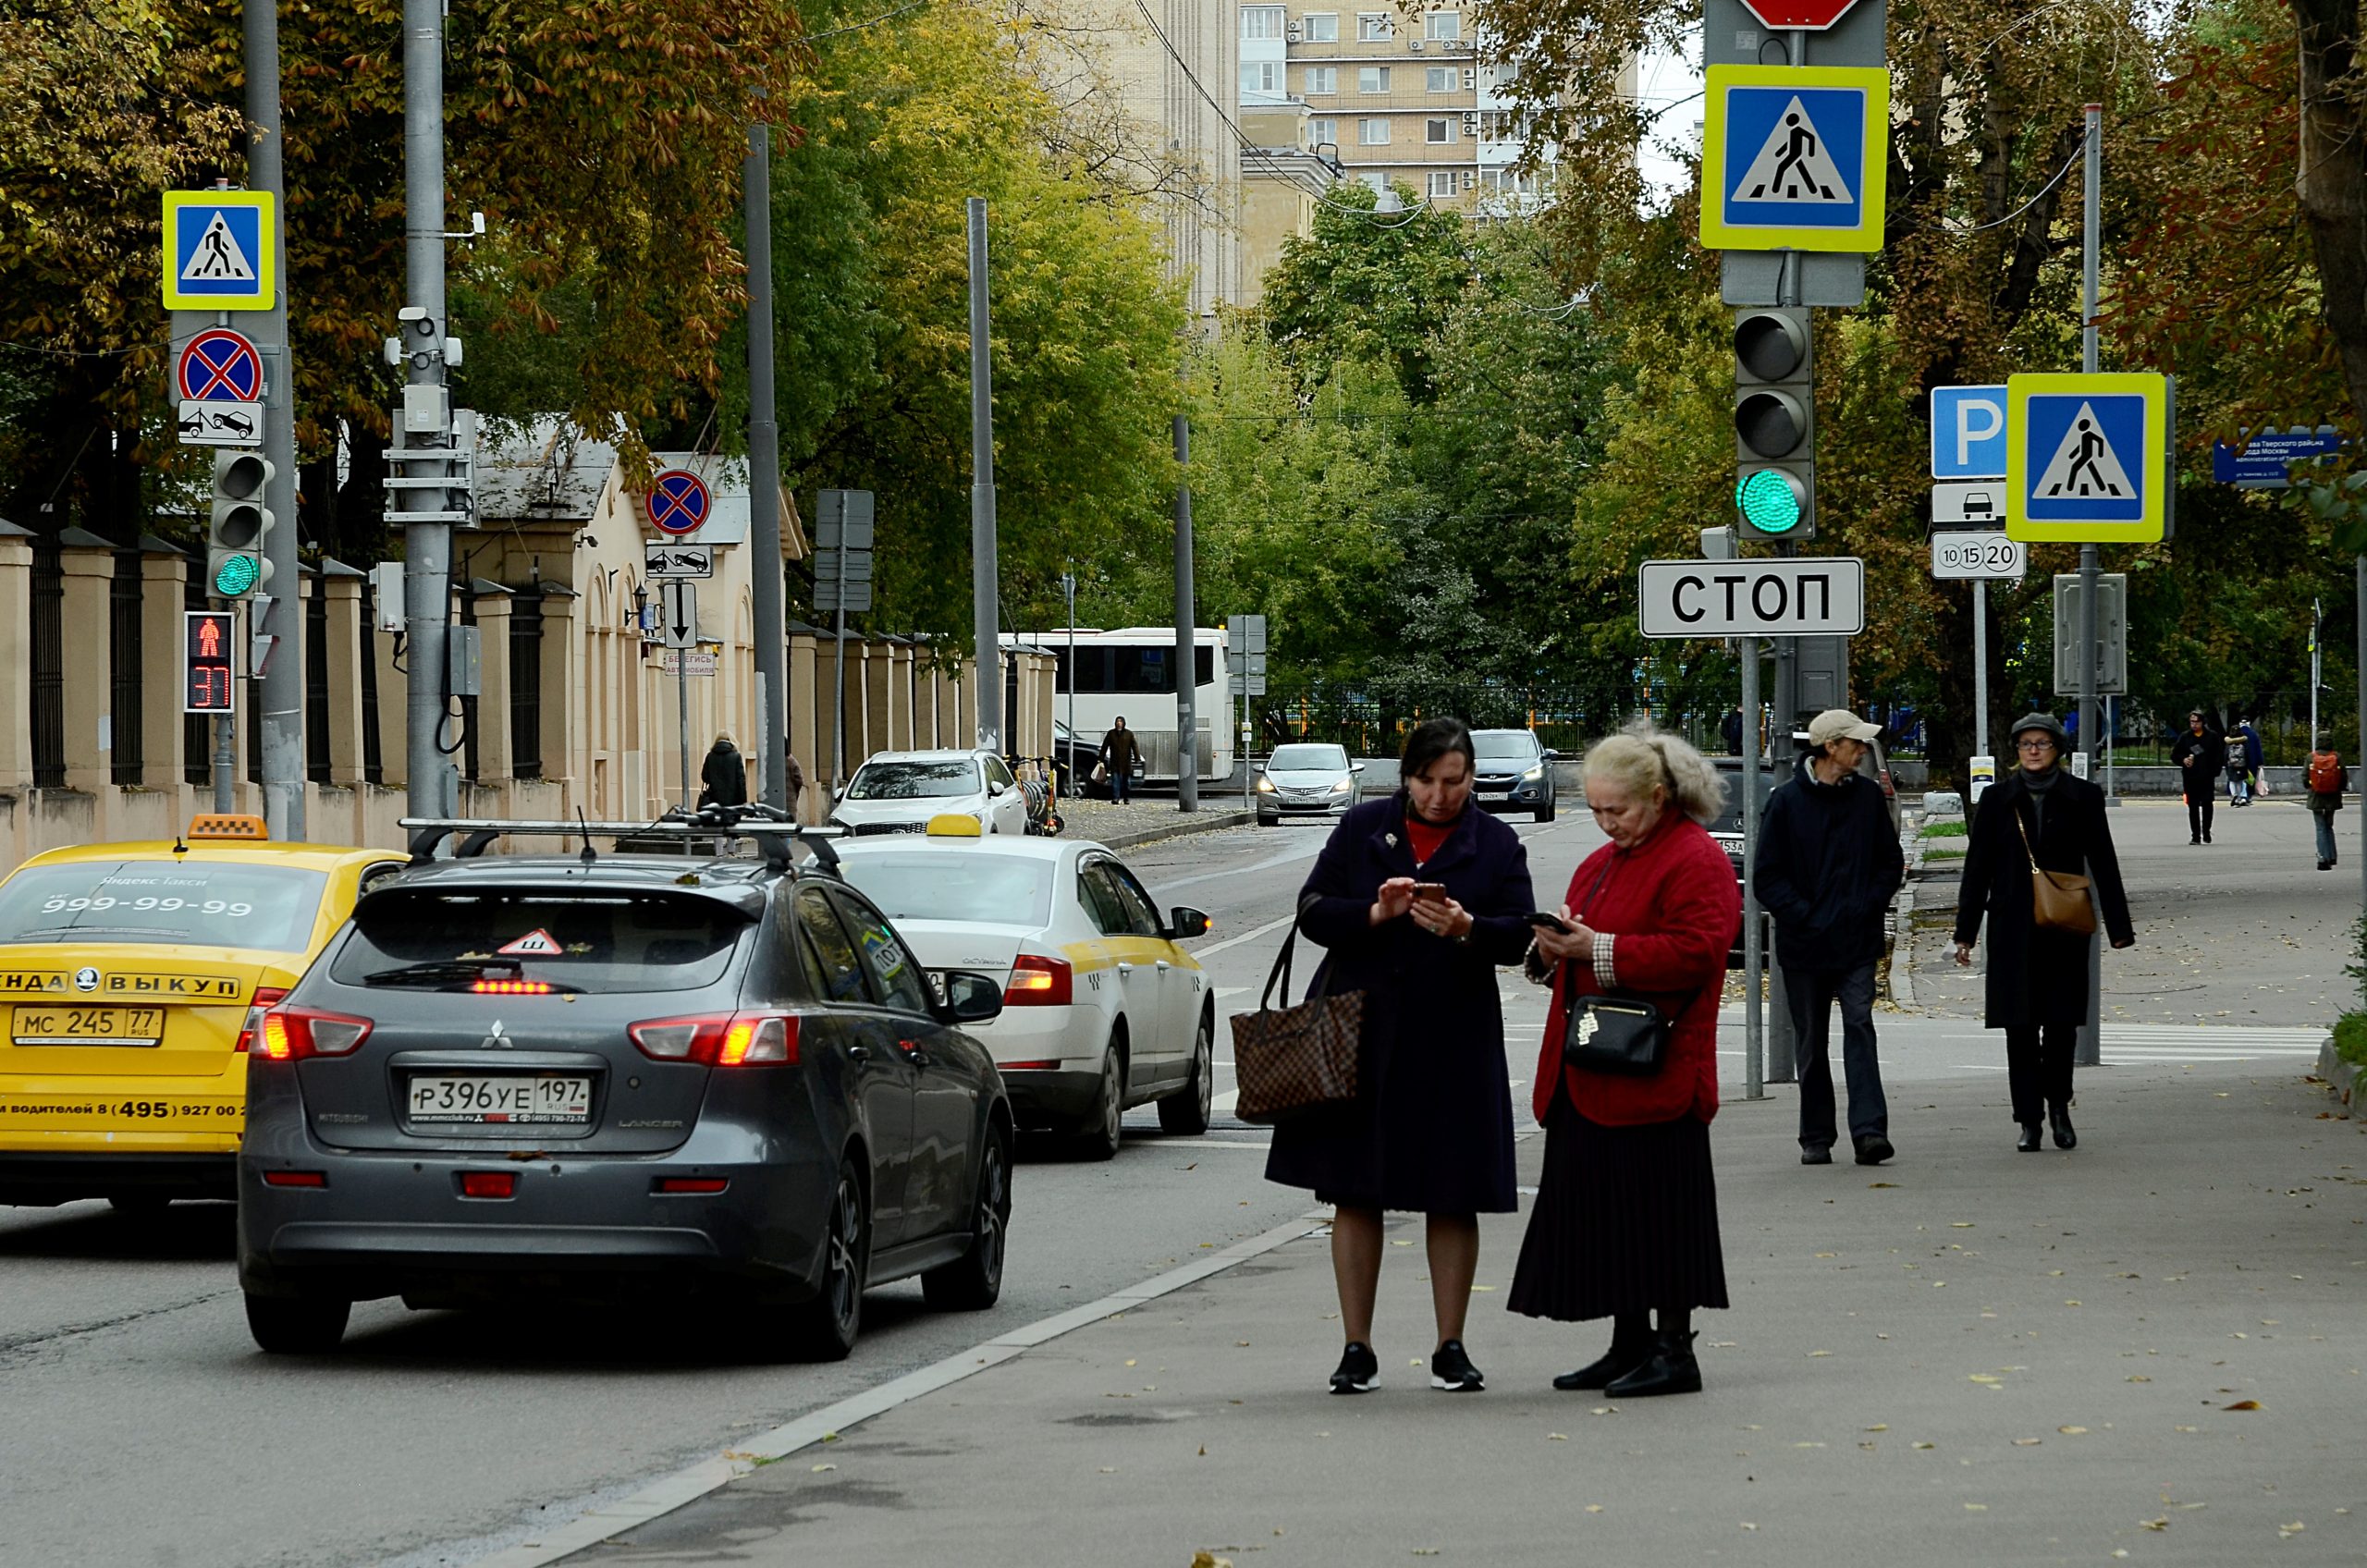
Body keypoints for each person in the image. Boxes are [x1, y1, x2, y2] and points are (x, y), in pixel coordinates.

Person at [1267, 717, 1535, 1396]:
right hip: (1361, 1032)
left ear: (1471, 778)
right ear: (1405, 777)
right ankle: (1356, 1347)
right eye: (1428, 781)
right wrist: (1375, 914)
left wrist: (1468, 926)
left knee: (1454, 1192)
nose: (1442, 795)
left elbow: (1520, 934)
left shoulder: (1496, 841)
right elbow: (1313, 910)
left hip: (1454, 1037)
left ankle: (1451, 1345)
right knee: (1355, 1190)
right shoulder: (1363, 830)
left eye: (1455, 781)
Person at [1509, 721, 1739, 1399]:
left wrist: (1596, 951)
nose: (1607, 823)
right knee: (1610, 1217)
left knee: (1661, 1216)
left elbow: (1700, 952)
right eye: (1598, 809)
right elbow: (1576, 945)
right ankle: (1629, 1342)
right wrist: (1551, 951)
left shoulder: (1694, 857)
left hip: (1656, 1071)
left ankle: (1675, 1351)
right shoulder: (1603, 861)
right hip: (1591, 1071)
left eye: (1620, 809)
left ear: (1662, 796)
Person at [1951, 714, 2135, 1154]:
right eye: (2025, 744)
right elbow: (1977, 870)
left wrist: (2119, 927)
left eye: (2042, 744)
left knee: (2060, 1025)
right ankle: (2028, 1119)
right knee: (2019, 1027)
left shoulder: (2082, 797)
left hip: (2064, 927)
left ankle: (2059, 1109)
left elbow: (2103, 861)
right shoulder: (1997, 800)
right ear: (2016, 752)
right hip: (2012, 928)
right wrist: (1965, 933)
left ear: (2058, 750)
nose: (2033, 751)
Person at [1754, 709, 1906, 1168]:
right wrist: (1806, 916)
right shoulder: (1786, 802)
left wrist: (1868, 904)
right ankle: (1816, 1136)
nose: (1862, 751)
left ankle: (1870, 1132)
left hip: (1857, 940)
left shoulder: (1866, 798)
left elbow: (1889, 862)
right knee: (1811, 1039)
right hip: (1806, 945)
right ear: (1830, 747)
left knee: (1860, 1025)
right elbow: (1768, 877)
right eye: (1855, 743)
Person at [2170, 710, 2224, 843]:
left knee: (2207, 804)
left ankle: (2206, 831)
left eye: (2196, 722)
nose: (2194, 725)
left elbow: (2219, 756)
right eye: (2192, 722)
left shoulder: (2212, 736)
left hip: (2206, 777)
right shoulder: (2185, 737)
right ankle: (2195, 836)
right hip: (2190, 777)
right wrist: (2183, 760)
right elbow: (2175, 754)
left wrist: (2214, 772)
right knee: (2192, 806)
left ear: (2202, 722)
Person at [2308, 746, 2349, 871]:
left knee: (2320, 828)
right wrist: (2339, 789)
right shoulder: (2337, 756)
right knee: (2329, 826)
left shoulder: (2311, 757)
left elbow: (2305, 777)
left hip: (2316, 797)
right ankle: (2332, 856)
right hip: (2333, 797)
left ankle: (2322, 858)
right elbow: (2343, 777)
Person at [697, 731, 747, 809]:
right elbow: (741, 780)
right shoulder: (736, 756)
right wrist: (743, 800)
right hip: (733, 801)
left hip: (713, 799)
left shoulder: (710, 756)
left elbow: (705, 777)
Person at [1098, 716, 1141, 803]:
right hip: (1115, 761)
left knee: (1126, 783)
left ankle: (1126, 798)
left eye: (1120, 721)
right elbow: (1105, 746)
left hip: (1126, 762)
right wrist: (1101, 758)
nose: (1119, 723)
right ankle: (1115, 798)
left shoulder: (1129, 734)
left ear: (1123, 723)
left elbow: (1134, 746)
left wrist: (1137, 758)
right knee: (1115, 782)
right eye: (1117, 721)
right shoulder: (1111, 734)